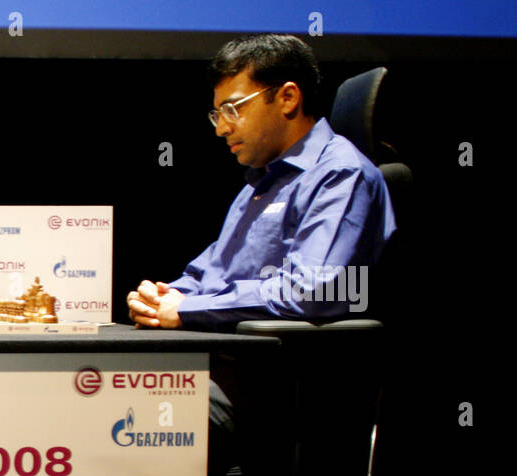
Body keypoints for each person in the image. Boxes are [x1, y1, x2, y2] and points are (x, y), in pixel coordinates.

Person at [127, 33, 395, 332]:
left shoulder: (342, 174)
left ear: (287, 98)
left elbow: (312, 290)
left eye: (233, 109)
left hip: (283, 365)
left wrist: (187, 309)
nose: (222, 129)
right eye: (217, 115)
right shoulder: (258, 184)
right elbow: (209, 274)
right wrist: (160, 298)